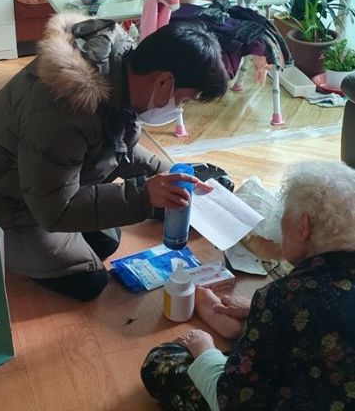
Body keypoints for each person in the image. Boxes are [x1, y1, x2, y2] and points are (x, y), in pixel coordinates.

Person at [0, 13, 227, 301]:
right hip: (0, 201)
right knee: (90, 281)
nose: (179, 109)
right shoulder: (66, 107)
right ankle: (1, 247)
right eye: (183, 100)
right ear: (163, 81)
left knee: (108, 239)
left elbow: (121, 148)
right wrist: (145, 196)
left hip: (36, 183)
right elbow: (55, 210)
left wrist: (171, 173)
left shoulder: (121, 70)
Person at [141, 161, 355, 410]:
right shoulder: (294, 297)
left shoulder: (287, 296)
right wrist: (258, 310)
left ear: (303, 226)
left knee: (161, 362)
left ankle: (239, 335)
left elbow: (232, 402)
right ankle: (248, 329)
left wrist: (203, 348)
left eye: (284, 212)